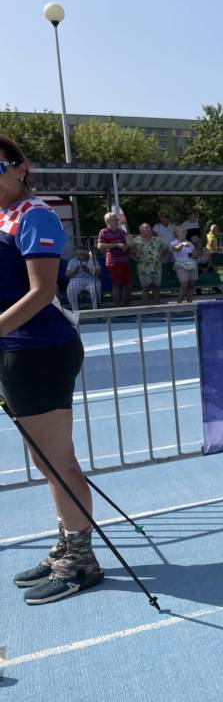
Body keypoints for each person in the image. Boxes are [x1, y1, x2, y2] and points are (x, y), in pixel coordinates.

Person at [1, 134, 101, 604]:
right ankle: (68, 542)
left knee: (58, 461)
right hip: (14, 348)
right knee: (46, 461)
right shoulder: (4, 216)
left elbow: (40, 292)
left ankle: (81, 559)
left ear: (20, 168)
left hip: (39, 349)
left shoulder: (34, 214)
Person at [97, 211, 132, 307]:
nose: (117, 221)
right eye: (114, 220)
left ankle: (126, 307)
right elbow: (100, 246)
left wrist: (127, 246)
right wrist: (116, 245)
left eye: (117, 219)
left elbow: (129, 243)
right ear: (108, 221)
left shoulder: (122, 231)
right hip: (114, 263)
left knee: (128, 285)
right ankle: (117, 307)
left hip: (125, 261)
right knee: (117, 285)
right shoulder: (103, 232)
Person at [130, 222, 166, 305]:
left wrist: (160, 254)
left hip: (156, 266)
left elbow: (165, 248)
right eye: (144, 228)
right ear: (140, 231)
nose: (147, 230)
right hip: (143, 267)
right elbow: (130, 252)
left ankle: (157, 306)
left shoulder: (157, 240)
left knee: (156, 287)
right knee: (145, 288)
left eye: (148, 228)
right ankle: (146, 307)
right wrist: (135, 257)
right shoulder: (135, 241)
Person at [65, 247, 100, 312]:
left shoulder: (93, 261)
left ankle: (95, 310)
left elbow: (98, 273)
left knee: (95, 290)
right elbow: (67, 274)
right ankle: (75, 311)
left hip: (91, 280)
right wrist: (75, 270)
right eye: (80, 254)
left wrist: (87, 270)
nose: (82, 255)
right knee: (71, 290)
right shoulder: (72, 261)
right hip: (76, 280)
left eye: (83, 253)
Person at [170, 225, 197, 303]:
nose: (186, 233)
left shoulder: (189, 243)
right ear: (177, 233)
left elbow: (194, 252)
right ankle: (178, 304)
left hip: (192, 265)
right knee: (184, 285)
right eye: (183, 232)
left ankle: (190, 304)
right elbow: (176, 249)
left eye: (185, 232)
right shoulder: (173, 242)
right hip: (181, 266)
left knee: (191, 286)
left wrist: (194, 255)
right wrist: (182, 244)